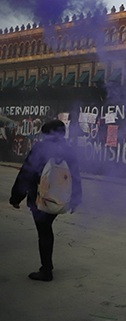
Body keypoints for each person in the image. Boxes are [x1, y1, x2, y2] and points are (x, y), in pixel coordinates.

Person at [9, 119, 83, 281]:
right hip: (61, 198)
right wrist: (76, 199)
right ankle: (47, 267)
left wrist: (16, 197)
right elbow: (75, 176)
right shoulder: (68, 150)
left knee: (44, 233)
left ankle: (46, 270)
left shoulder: (40, 149)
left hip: (40, 198)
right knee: (46, 229)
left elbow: (27, 174)